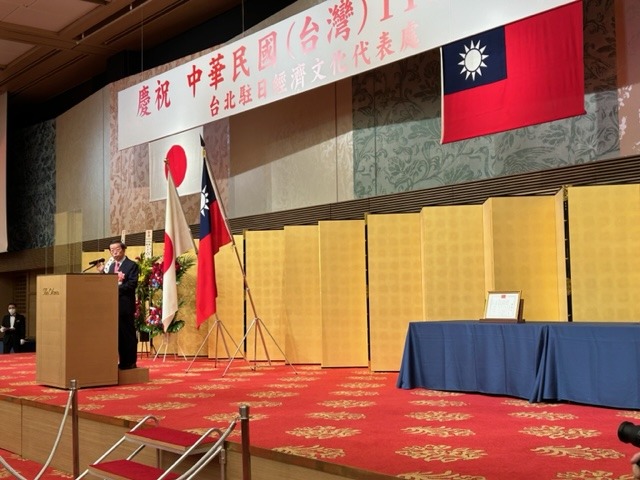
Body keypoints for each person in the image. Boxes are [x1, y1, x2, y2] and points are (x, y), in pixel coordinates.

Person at [97, 241, 139, 370]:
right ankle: (122, 362)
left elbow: (132, 284)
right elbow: (107, 284)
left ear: (123, 249)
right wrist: (102, 273)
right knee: (117, 336)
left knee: (127, 334)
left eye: (117, 249)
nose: (114, 252)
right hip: (112, 306)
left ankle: (130, 362)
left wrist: (115, 289)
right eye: (111, 250)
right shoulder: (110, 267)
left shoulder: (131, 265)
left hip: (125, 306)